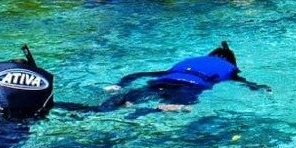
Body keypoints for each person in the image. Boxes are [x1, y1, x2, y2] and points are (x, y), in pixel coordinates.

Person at [100, 40, 268, 109]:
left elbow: (138, 74)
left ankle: (96, 109)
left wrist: (120, 84)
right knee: (174, 107)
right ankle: (148, 112)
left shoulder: (188, 63)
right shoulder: (230, 69)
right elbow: (247, 84)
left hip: (164, 80)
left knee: (130, 97)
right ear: (232, 63)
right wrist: (261, 88)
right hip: (191, 87)